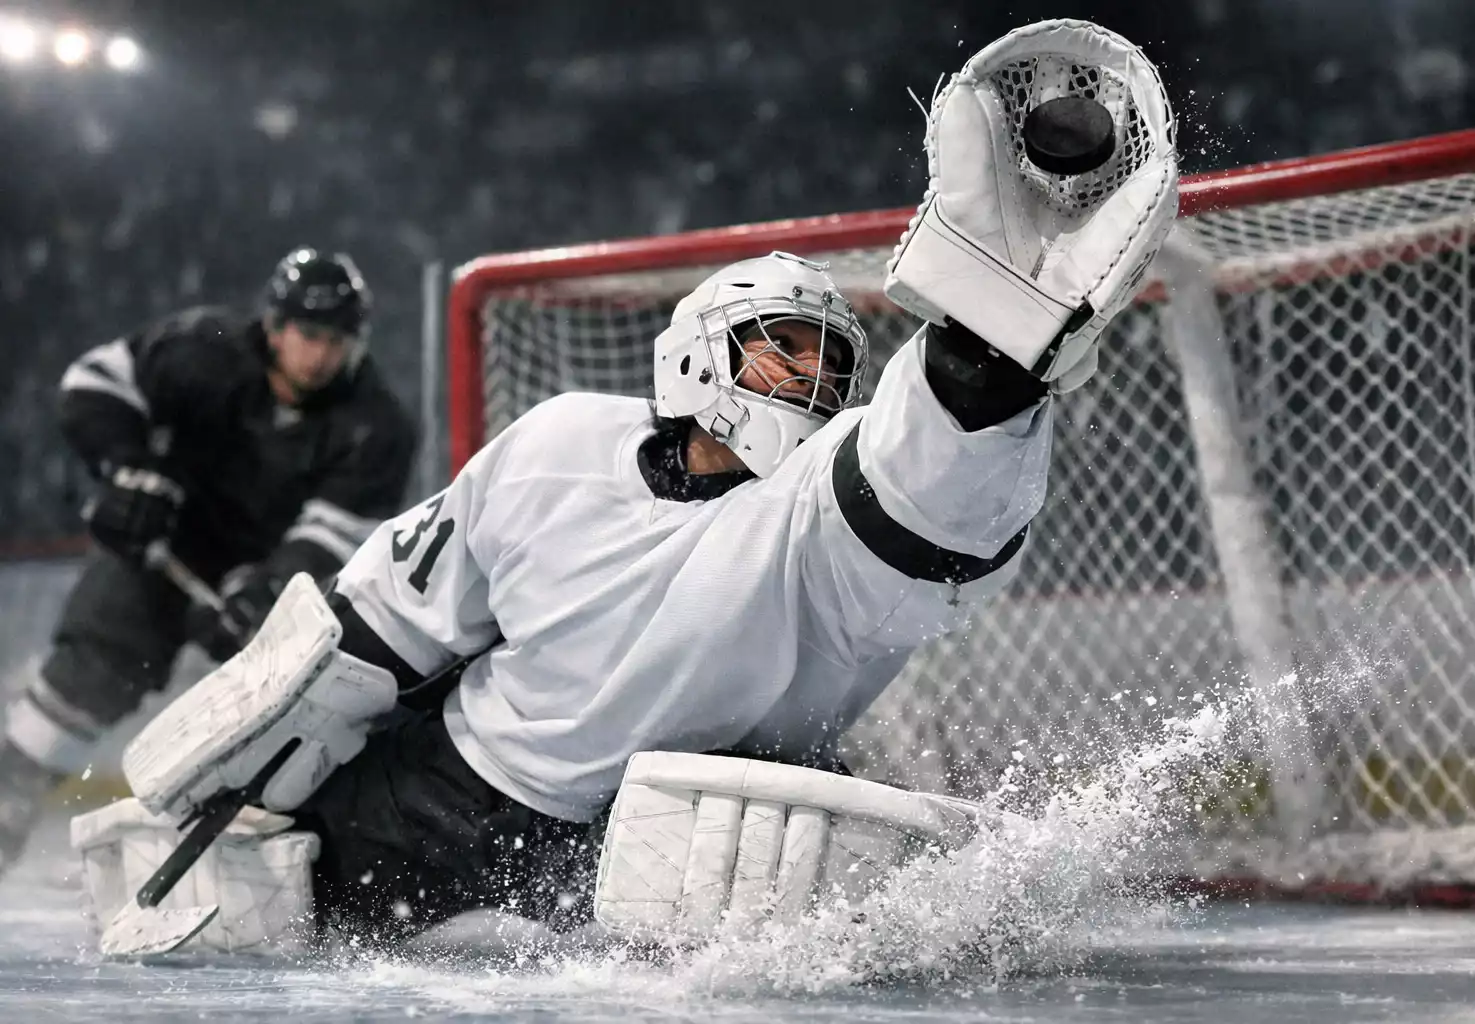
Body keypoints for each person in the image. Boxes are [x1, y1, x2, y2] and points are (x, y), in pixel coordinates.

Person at [111, 20, 1178, 949]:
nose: (809, 382)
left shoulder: (816, 511)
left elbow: (920, 490)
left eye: (828, 366)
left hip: (653, 839)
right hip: (442, 787)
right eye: (782, 352)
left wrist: (983, 358)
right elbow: (394, 617)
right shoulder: (559, 441)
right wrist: (265, 759)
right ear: (697, 357)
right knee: (281, 920)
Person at [0, 249, 417, 874]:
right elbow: (93, 384)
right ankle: (8, 803)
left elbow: (332, 536)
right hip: (163, 548)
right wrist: (128, 471)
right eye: (308, 334)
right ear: (275, 326)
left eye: (338, 339)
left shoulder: (378, 424)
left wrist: (268, 589)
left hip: (273, 586)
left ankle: (307, 867)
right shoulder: (204, 349)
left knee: (299, 721)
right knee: (81, 682)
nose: (321, 354)